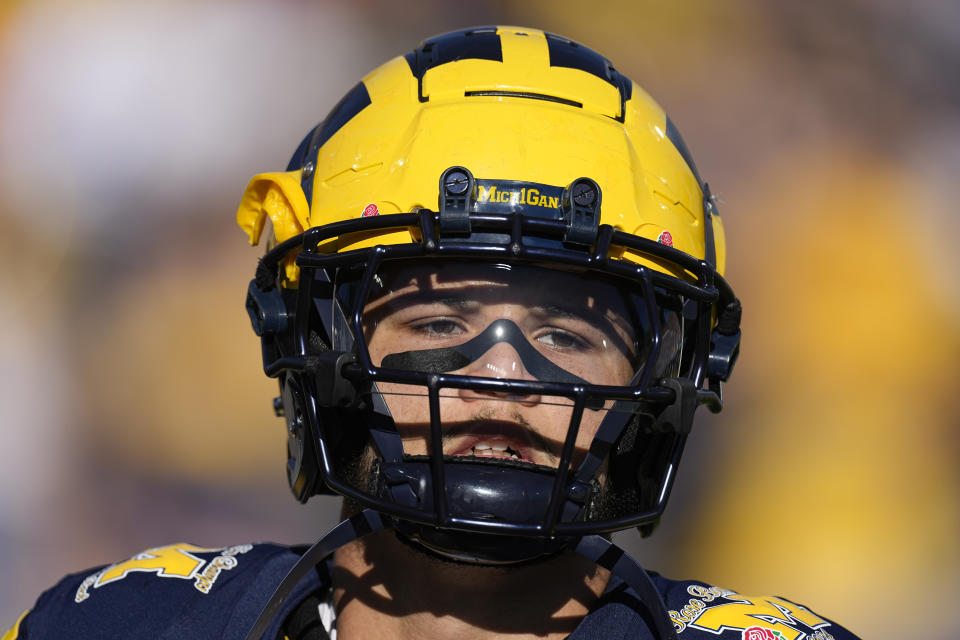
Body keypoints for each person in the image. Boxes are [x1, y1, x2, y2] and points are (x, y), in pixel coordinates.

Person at [4, 27, 860, 640]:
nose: (500, 379)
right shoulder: (128, 622)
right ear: (320, 341)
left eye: (564, 336)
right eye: (441, 322)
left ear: (664, 371)